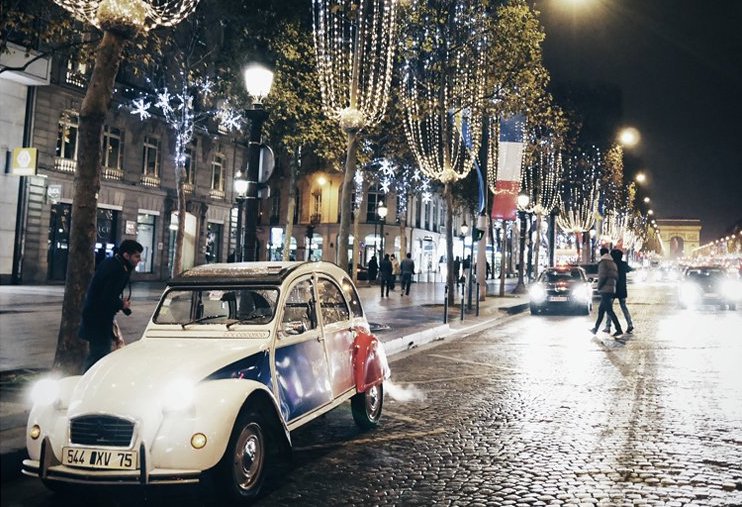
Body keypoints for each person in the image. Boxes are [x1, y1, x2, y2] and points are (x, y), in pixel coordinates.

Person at [80, 239, 143, 372]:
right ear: (126, 255)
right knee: (98, 355)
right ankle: (86, 382)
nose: (139, 260)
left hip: (96, 317)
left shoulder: (114, 264)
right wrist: (122, 304)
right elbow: (106, 297)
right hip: (98, 319)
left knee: (98, 353)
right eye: (137, 256)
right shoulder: (118, 270)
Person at [590, 246, 623, 337]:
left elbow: (602, 276)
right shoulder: (612, 263)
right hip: (611, 289)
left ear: (601, 254)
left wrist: (599, 287)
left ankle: (619, 329)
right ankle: (595, 329)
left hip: (605, 289)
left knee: (609, 310)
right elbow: (616, 277)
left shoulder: (603, 263)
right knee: (601, 310)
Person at [603, 249, 635, 334]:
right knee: (624, 307)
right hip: (621, 289)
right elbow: (630, 269)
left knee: (609, 308)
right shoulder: (623, 264)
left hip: (612, 288)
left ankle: (608, 326)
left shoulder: (610, 264)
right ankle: (630, 324)